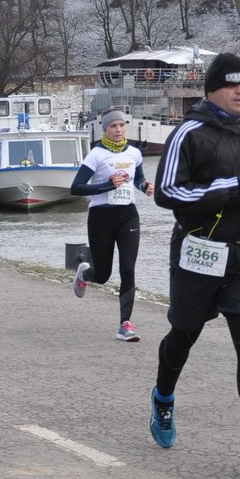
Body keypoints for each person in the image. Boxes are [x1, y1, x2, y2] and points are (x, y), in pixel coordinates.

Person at [151, 52, 240, 470]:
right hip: (199, 252)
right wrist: (229, 189)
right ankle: (163, 397)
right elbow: (167, 192)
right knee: (184, 334)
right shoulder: (189, 132)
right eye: (232, 84)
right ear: (212, 90)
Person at [70, 109, 153, 341]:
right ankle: (85, 274)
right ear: (105, 129)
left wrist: (145, 186)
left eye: (121, 125)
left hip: (128, 215)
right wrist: (107, 185)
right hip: (101, 217)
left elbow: (137, 179)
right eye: (113, 126)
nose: (118, 130)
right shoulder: (96, 155)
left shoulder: (135, 153)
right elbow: (76, 187)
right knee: (103, 274)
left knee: (128, 269)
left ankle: (125, 325)